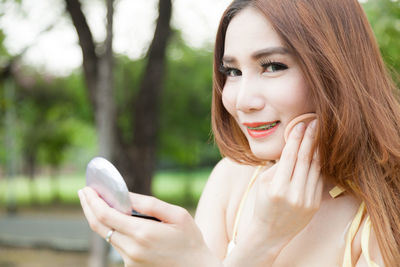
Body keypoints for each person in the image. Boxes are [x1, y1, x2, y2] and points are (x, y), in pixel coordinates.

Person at [78, 0, 400, 266]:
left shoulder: (382, 217)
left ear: (336, 69)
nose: (242, 101)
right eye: (232, 71)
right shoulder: (233, 178)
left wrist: (247, 244)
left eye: (273, 66)